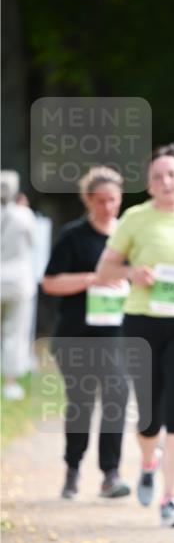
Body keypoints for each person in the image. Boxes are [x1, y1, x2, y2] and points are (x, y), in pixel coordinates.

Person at [96, 143, 174, 527]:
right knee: (150, 416)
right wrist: (132, 273)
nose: (166, 181)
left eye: (173, 175)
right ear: (149, 185)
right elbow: (106, 269)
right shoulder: (135, 218)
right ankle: (149, 461)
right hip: (142, 323)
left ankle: (171, 500)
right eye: (157, 176)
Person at [42, 167, 131, 499]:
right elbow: (50, 282)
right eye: (101, 201)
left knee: (116, 396)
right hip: (75, 334)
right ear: (88, 201)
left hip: (117, 334)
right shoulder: (73, 235)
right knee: (80, 403)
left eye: (113, 200)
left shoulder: (127, 236)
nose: (108, 207)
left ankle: (111, 473)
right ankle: (73, 467)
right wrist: (92, 279)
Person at [1, 170, 36, 401]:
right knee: (15, 331)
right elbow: (34, 242)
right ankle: (10, 382)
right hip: (18, 281)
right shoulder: (24, 215)